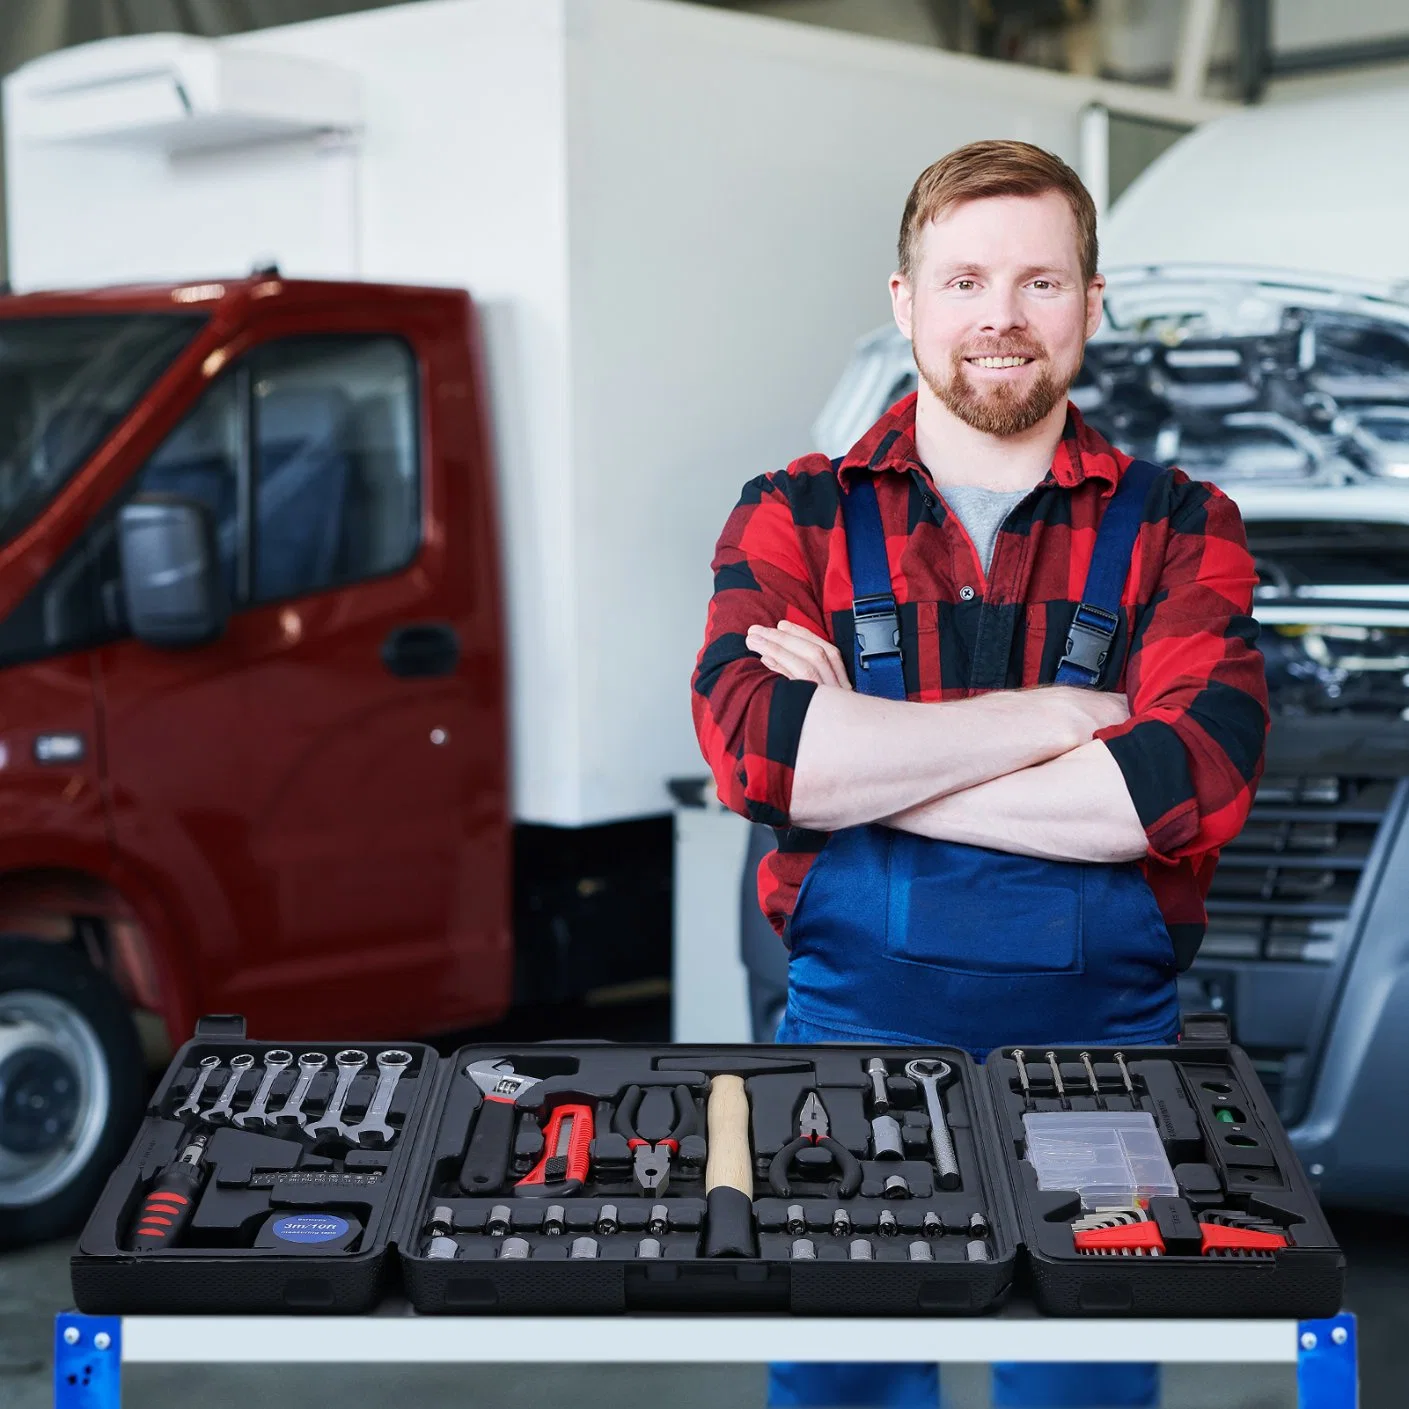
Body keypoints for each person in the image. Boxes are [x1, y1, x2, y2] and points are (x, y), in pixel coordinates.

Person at [690, 140, 1269, 1409]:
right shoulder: (792, 512)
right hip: (846, 1045)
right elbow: (759, 751)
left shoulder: (1183, 525)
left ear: (1089, 302)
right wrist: (1066, 714)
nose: (999, 318)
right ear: (903, 302)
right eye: (961, 282)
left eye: (1037, 282)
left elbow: (1177, 785)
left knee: (1084, 1386)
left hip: (1106, 1066)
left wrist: (868, 756)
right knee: (844, 1386)